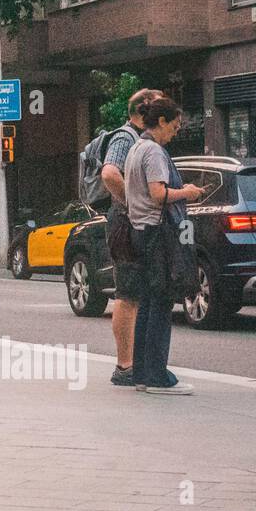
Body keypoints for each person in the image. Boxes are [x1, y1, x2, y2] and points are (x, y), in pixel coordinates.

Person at [123, 95, 203, 395]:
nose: (177, 131)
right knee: (161, 303)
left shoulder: (135, 149)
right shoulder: (154, 152)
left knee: (147, 303)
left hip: (140, 232)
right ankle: (157, 375)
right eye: (175, 125)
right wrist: (186, 192)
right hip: (157, 233)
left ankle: (142, 373)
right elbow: (158, 194)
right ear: (161, 122)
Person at [100, 88, 164, 387]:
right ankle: (124, 366)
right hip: (125, 223)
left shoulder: (142, 140)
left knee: (135, 293)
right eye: (158, 104)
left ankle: (133, 362)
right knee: (127, 294)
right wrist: (132, 201)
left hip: (131, 222)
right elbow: (109, 173)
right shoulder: (126, 137)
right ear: (143, 110)